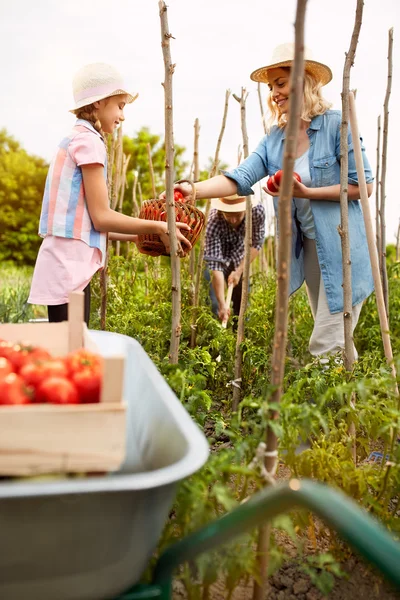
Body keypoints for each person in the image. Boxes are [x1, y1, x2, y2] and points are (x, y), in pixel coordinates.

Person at [172, 43, 374, 359]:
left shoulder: (337, 124)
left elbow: (363, 186)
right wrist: (192, 189)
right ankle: (349, 407)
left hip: (342, 247)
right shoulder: (274, 139)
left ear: (303, 80)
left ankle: (327, 408)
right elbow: (238, 177)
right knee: (338, 344)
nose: (274, 93)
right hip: (308, 249)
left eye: (280, 83)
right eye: (271, 87)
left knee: (326, 344)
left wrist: (306, 194)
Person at [28, 63, 190, 325]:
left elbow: (88, 224)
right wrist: (160, 225)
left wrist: (140, 236)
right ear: (98, 104)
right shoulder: (89, 142)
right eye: (120, 106)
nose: (122, 116)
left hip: (67, 266)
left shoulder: (76, 138)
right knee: (72, 354)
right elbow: (102, 217)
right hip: (70, 268)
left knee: (71, 351)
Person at [204, 194, 265, 323]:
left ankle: (240, 339)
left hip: (240, 258)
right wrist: (221, 303)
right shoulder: (213, 220)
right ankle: (216, 336)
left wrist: (238, 271)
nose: (232, 220)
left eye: (237, 215)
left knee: (242, 306)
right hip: (218, 259)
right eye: (228, 215)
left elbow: (256, 244)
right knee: (213, 304)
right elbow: (215, 266)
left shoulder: (256, 212)